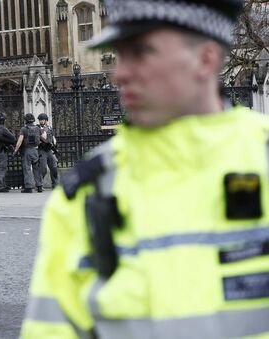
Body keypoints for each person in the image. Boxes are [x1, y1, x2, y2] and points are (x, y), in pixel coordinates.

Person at [21, 0, 269, 338]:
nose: (120, 72)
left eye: (142, 52)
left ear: (206, 59)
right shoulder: (87, 193)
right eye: (120, 54)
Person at [13, 113, 45, 193]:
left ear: (26, 120)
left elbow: (20, 141)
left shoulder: (24, 129)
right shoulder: (37, 128)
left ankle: (28, 187)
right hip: (35, 150)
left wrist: (16, 150)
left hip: (27, 150)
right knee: (36, 169)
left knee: (27, 169)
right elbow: (44, 138)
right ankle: (39, 186)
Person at [37, 113, 58, 188]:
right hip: (42, 150)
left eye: (42, 120)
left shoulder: (49, 128)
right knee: (43, 168)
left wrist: (54, 143)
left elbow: (52, 136)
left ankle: (55, 184)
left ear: (46, 120)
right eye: (40, 120)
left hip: (49, 150)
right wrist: (43, 130)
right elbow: (43, 138)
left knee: (54, 167)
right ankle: (39, 184)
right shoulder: (38, 128)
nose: (41, 121)